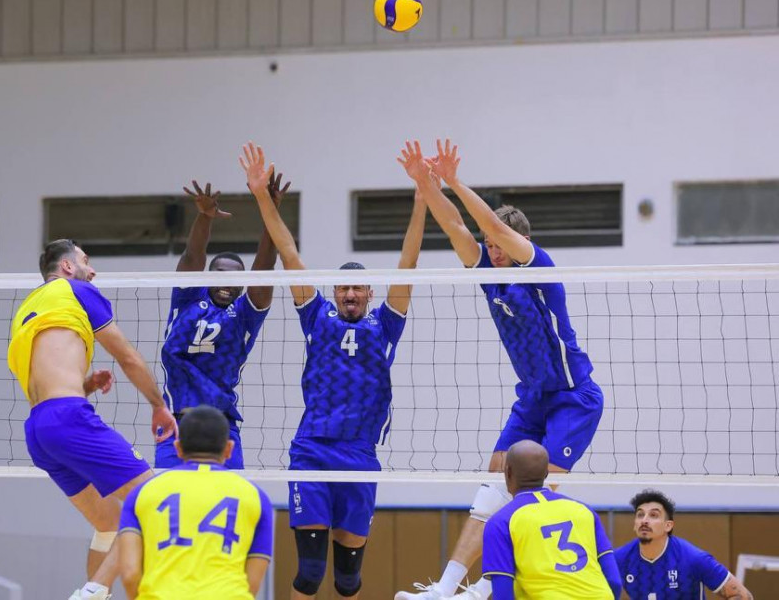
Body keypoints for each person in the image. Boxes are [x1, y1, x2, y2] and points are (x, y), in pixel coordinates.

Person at [396, 139, 604, 599]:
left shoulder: (538, 268)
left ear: (519, 242)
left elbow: (488, 223)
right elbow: (456, 226)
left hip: (573, 398)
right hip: (532, 396)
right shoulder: (489, 274)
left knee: (530, 494)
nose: (490, 250)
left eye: (497, 244)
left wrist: (453, 181)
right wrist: (425, 186)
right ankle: (446, 588)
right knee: (495, 479)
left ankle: (490, 587)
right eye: (488, 246)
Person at [242, 141, 428, 599]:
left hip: (360, 455)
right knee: (309, 573)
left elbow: (408, 262)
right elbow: (288, 252)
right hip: (312, 451)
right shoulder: (316, 315)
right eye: (343, 287)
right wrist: (261, 195)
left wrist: (423, 197)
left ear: (369, 293)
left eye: (357, 288)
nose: (349, 294)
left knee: (347, 579)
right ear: (335, 291)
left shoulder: (385, 325)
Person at [7, 239, 176, 600]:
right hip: (68, 418)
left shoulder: (29, 306)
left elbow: (44, 377)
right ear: (67, 267)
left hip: (39, 429)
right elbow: (127, 357)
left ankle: (98, 593)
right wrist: (158, 405)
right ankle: (93, 591)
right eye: (85, 260)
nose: (93, 270)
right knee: (156, 499)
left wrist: (84, 385)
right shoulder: (78, 290)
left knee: (110, 523)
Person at [157, 174, 289, 469]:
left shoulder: (245, 314)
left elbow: (265, 266)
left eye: (235, 278)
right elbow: (193, 255)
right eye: (220, 274)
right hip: (177, 419)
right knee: (171, 491)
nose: (227, 283)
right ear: (208, 276)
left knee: (231, 492)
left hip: (222, 423)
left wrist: (270, 208)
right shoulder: (188, 297)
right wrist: (205, 217)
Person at [117, 405, 273, 599]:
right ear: (229, 449)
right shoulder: (257, 498)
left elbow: (130, 574)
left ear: (178, 448)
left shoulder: (141, 493)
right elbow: (252, 583)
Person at [481, 440, 621, 599]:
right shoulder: (584, 511)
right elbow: (614, 581)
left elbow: (503, 594)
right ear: (547, 473)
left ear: (508, 472)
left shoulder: (500, 522)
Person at [614, 489, 754, 599]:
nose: (644, 520)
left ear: (668, 526)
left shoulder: (693, 558)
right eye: (640, 514)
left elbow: (743, 596)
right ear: (635, 524)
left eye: (653, 515)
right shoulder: (618, 559)